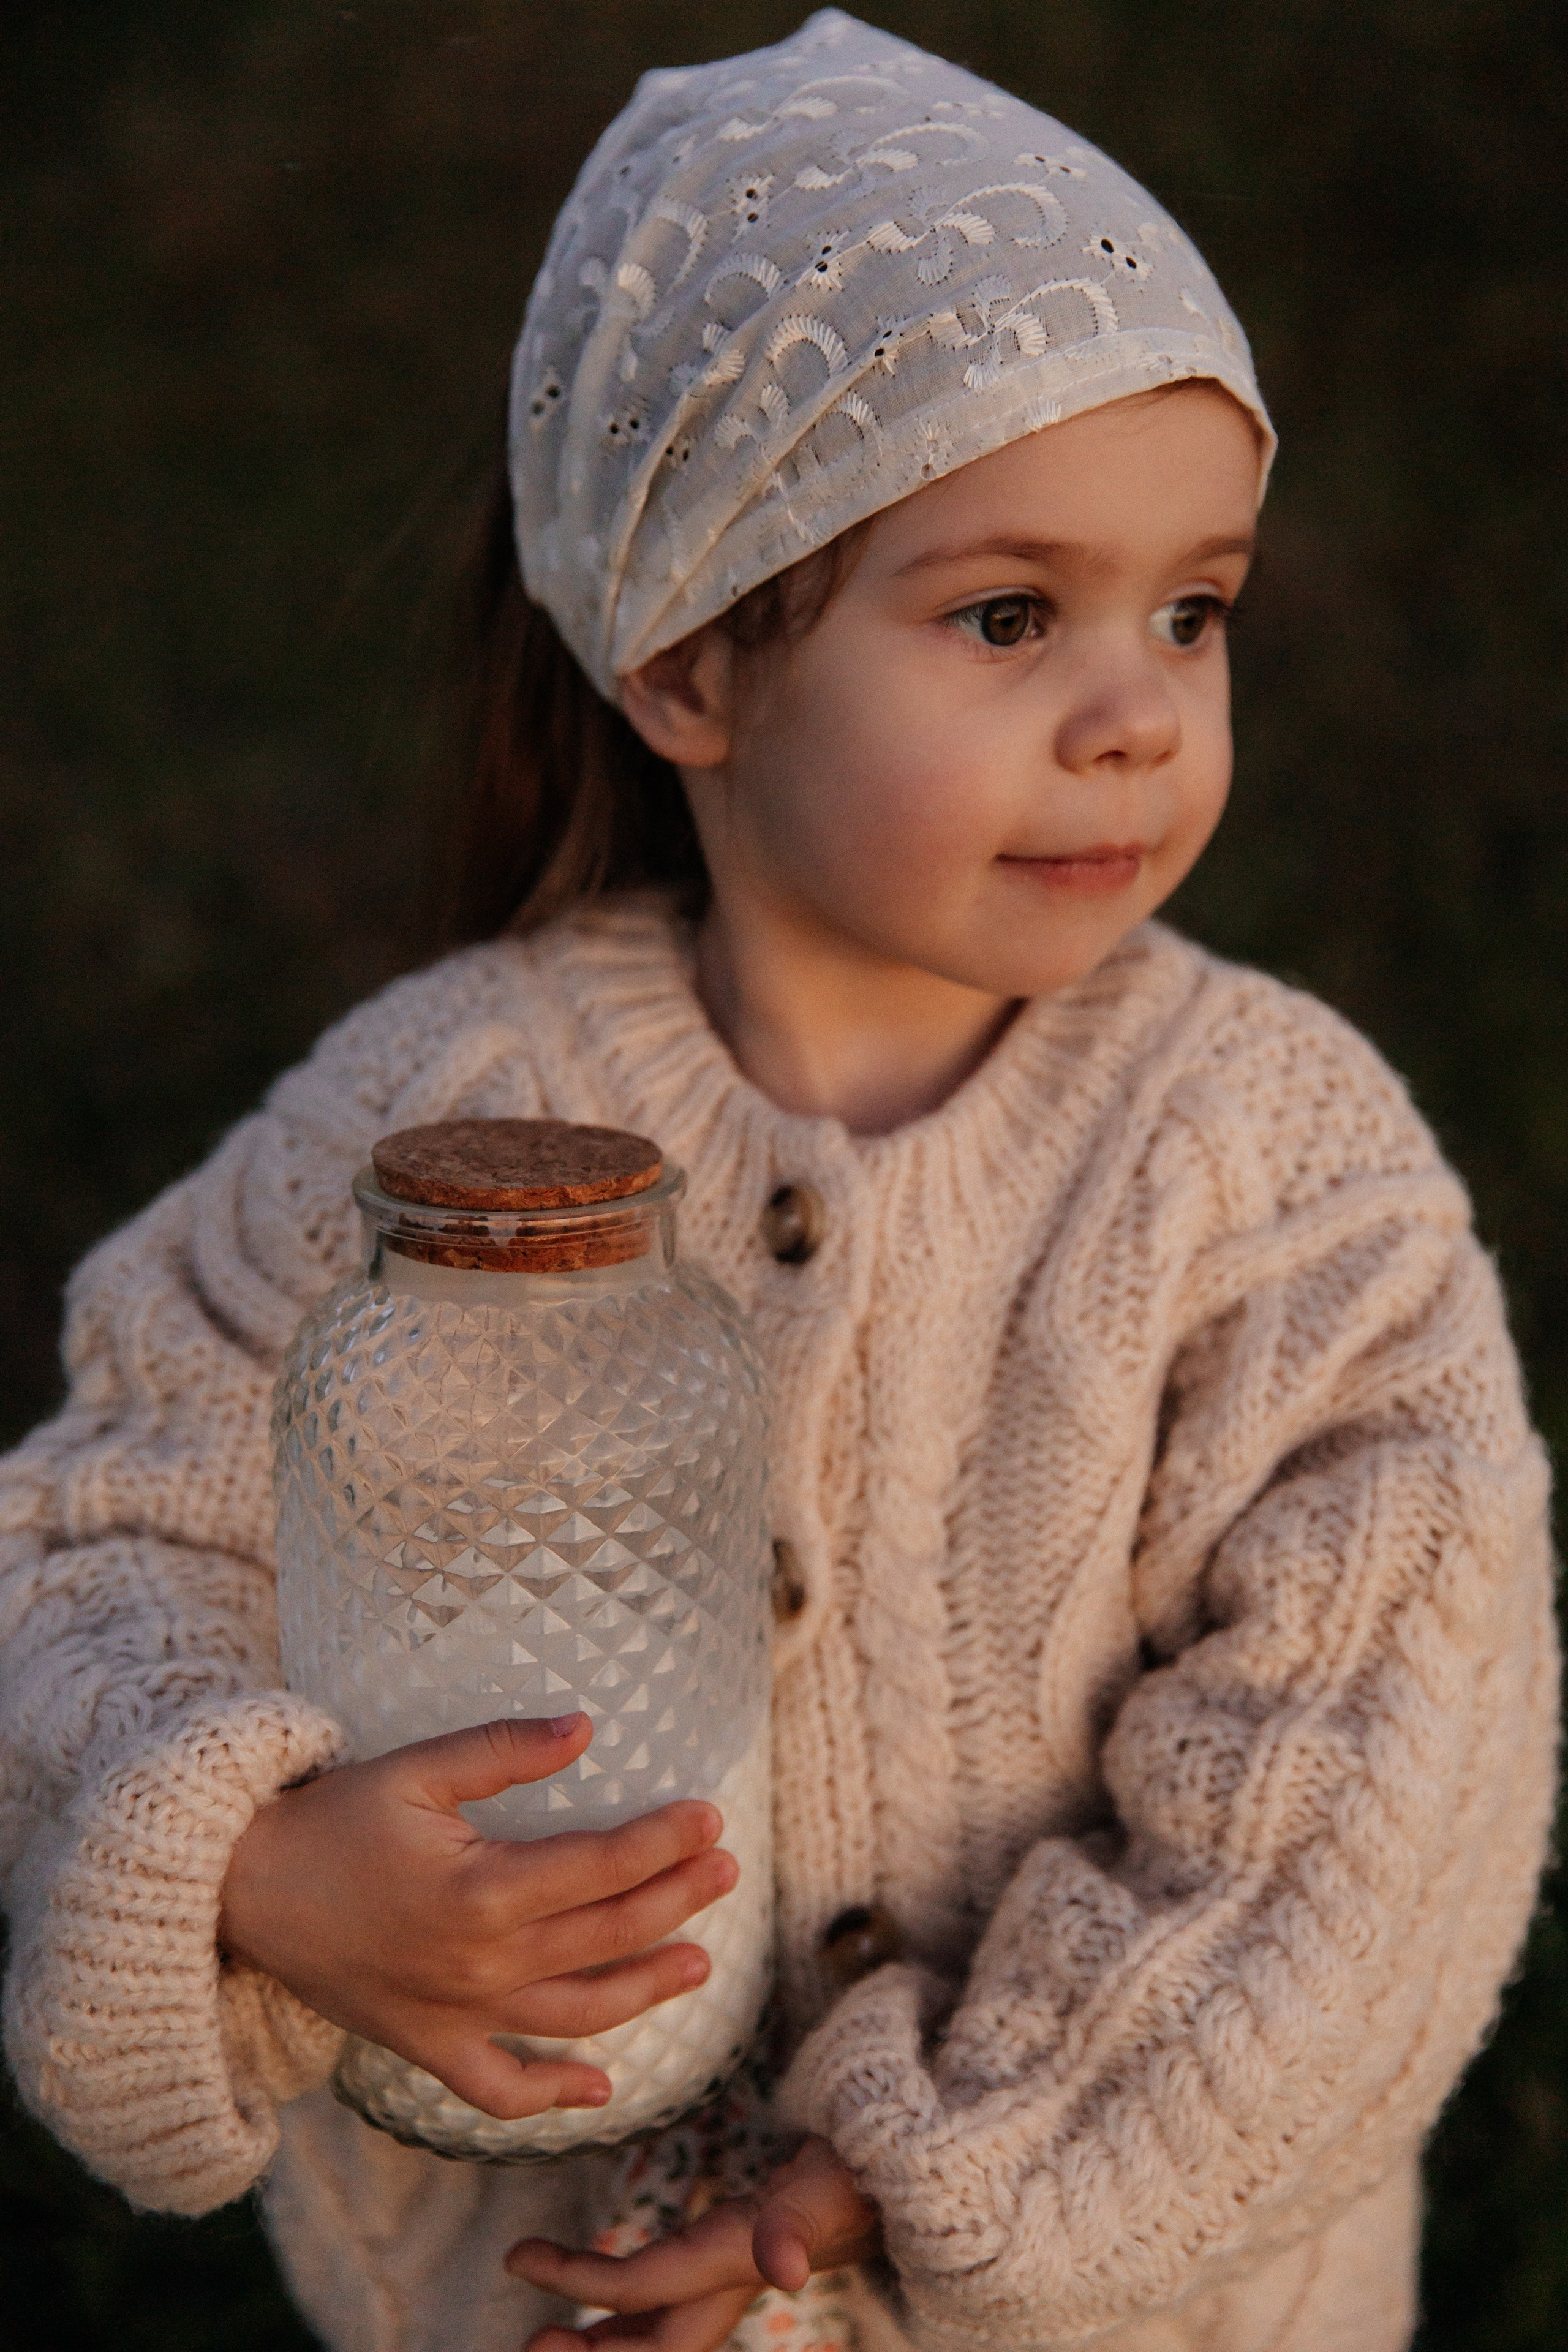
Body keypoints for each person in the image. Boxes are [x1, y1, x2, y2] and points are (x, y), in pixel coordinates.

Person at [0, 12, 1555, 2352]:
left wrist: (899, 2182)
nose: (1139, 711)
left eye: (1195, 610)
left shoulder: (1272, 1174)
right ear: (691, 669)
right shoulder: (433, 1124)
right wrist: (256, 1862)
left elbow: (1361, 1789)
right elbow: (102, 1541)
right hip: (531, 2292)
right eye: (1011, 615)